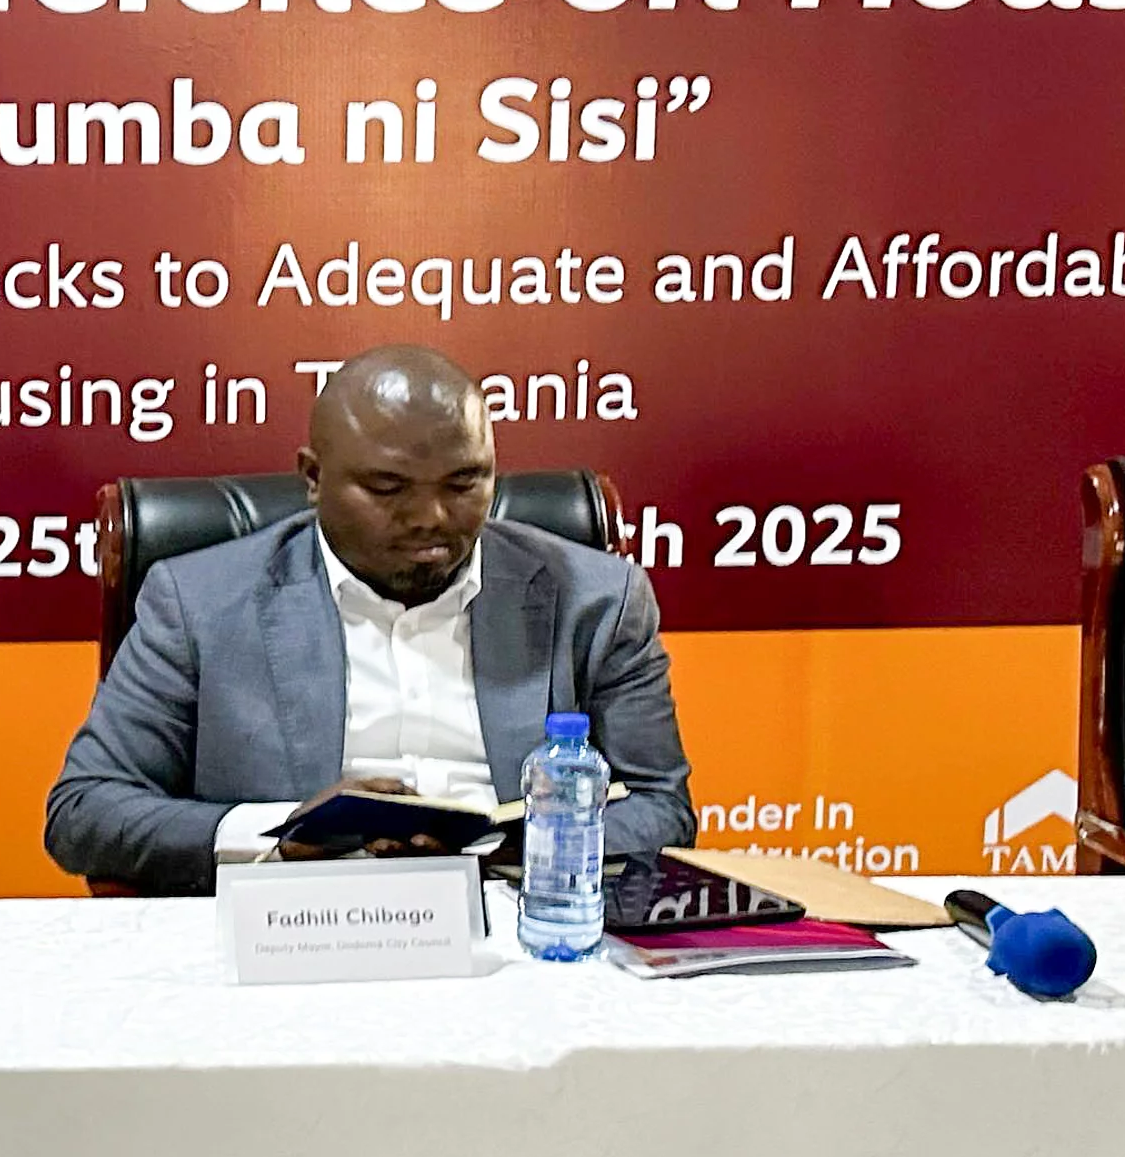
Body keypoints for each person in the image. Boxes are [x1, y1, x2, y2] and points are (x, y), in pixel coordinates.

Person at [46, 344, 694, 896]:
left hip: (516, 935)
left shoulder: (596, 601)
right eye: (388, 489)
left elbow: (662, 812)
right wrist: (280, 835)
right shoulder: (198, 603)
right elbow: (85, 813)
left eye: (464, 482)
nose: (431, 517)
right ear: (313, 477)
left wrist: (490, 850)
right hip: (290, 935)